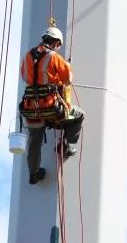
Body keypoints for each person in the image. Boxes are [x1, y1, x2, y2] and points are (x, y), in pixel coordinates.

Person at [20, 26, 84, 184]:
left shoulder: (28, 56)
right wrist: (65, 66)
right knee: (78, 115)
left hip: (31, 108)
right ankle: (66, 146)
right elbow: (68, 78)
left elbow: (25, 76)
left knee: (34, 141)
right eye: (58, 45)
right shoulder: (53, 57)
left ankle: (33, 174)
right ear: (55, 42)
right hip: (51, 108)